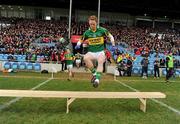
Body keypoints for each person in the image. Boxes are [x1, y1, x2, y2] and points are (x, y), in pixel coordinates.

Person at [75, 15, 115, 88]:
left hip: (100, 52)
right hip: (91, 52)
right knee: (85, 58)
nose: (92, 25)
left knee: (100, 62)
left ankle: (97, 80)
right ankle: (94, 74)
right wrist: (78, 44)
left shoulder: (102, 30)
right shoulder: (87, 32)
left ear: (96, 23)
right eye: (90, 24)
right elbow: (81, 39)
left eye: (93, 24)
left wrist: (113, 44)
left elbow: (110, 36)